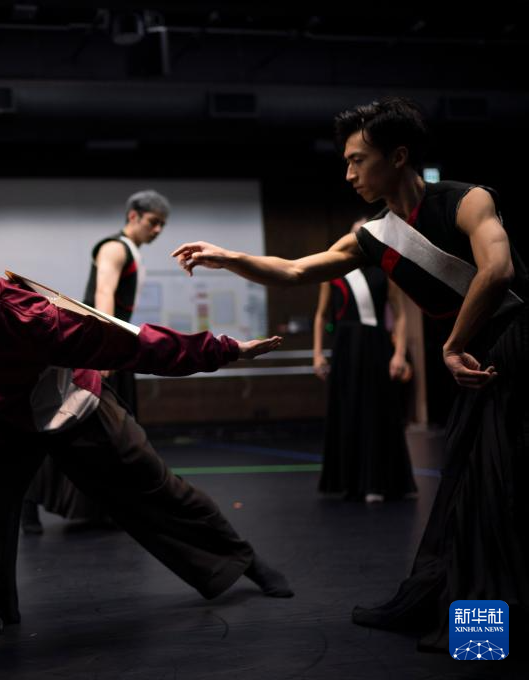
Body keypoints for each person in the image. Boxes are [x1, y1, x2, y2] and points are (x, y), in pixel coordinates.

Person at [170, 97, 528, 651]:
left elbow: (498, 270)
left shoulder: (467, 200)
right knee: (468, 493)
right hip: (472, 360)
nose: (349, 173)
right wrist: (229, 257)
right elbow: (296, 269)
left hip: (515, 350)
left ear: (398, 156)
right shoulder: (374, 235)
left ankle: (484, 637)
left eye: (358, 160)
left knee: (490, 492)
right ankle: (453, 615)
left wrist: (453, 344)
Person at [0, 208, 294, 636]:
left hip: (73, 404)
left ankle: (246, 561)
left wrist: (224, 349)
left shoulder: (32, 316)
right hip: (7, 414)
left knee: (158, 487)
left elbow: (134, 344)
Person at [22, 190, 169, 532]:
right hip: (94, 351)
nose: (158, 230)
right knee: (68, 427)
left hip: (112, 350)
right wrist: (105, 348)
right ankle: (28, 505)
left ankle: (109, 507)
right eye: (153, 222)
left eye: (162, 225)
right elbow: (103, 293)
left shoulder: (130, 251)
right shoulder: (114, 248)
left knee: (112, 431)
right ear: (133, 216)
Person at [313, 219, 417, 503]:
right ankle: (348, 482)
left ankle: (378, 482)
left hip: (376, 347)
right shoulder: (334, 271)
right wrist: (318, 353)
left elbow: (400, 314)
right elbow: (321, 315)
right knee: (347, 410)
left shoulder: (384, 269)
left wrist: (399, 354)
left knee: (376, 412)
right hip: (345, 349)